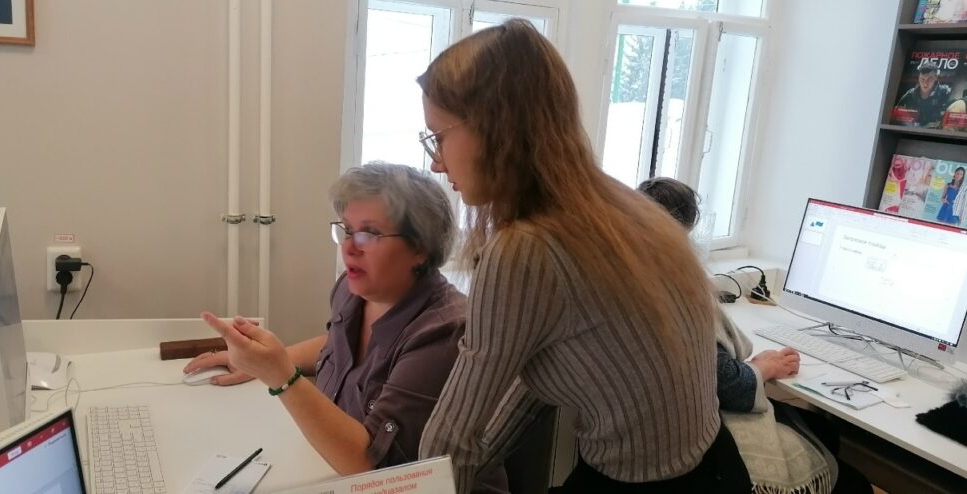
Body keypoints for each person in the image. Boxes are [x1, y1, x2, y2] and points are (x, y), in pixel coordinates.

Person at [416, 19, 750, 493]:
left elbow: (453, 432)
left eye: (438, 137)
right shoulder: (616, 205)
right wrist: (466, 466)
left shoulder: (524, 249)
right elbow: (537, 374)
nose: (436, 162)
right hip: (717, 469)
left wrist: (432, 482)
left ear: (493, 130)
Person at [186, 163, 508, 492]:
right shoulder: (353, 291)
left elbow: (373, 467)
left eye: (369, 233)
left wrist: (280, 374)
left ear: (419, 248)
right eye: (346, 230)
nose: (348, 247)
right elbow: (336, 345)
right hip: (334, 470)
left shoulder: (444, 334)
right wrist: (259, 361)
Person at [639, 177, 873, 494]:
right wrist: (763, 368)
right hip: (690, 446)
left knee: (821, 429)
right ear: (686, 231)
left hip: (651, 431)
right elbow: (726, 384)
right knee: (848, 473)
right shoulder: (678, 291)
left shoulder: (629, 274)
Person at [894, 61, 952, 128]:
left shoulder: (946, 93)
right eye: (922, 79)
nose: (925, 83)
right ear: (919, 77)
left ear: (936, 77)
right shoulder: (910, 94)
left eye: (929, 79)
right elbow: (896, 113)